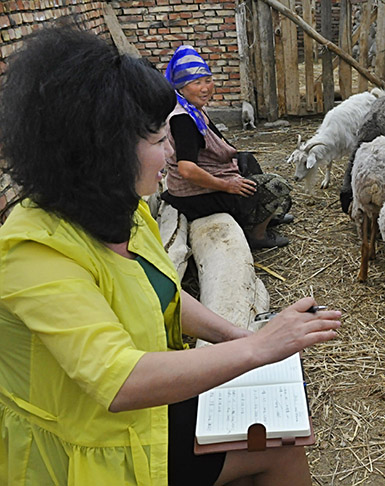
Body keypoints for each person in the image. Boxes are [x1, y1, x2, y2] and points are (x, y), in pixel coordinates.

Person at [0, 26, 341, 485]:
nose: (169, 155)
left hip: (149, 413)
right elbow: (119, 380)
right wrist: (259, 349)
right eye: (159, 140)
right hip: (94, 447)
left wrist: (237, 336)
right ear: (101, 149)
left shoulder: (125, 207)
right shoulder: (32, 251)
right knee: (278, 456)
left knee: (282, 441)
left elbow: (163, 293)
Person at [160, 44, 293, 249]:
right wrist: (228, 185)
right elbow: (187, 169)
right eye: (196, 83)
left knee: (246, 159)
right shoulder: (183, 120)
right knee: (276, 186)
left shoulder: (192, 107)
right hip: (193, 196)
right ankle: (256, 234)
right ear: (181, 87)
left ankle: (261, 215)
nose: (205, 88)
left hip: (203, 180)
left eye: (208, 80)